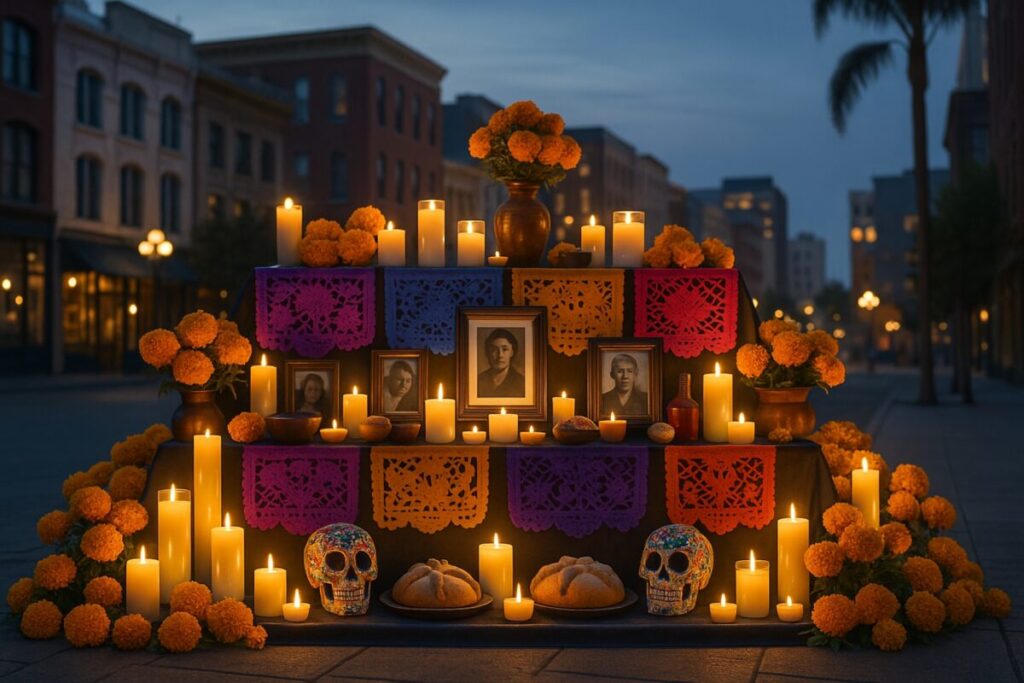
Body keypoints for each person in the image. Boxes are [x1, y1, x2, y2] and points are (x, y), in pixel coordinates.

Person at [477, 328, 526, 398]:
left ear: (512, 352)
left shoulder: (521, 382)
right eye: (494, 350)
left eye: (505, 349)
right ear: (488, 353)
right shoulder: (478, 380)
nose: (500, 355)